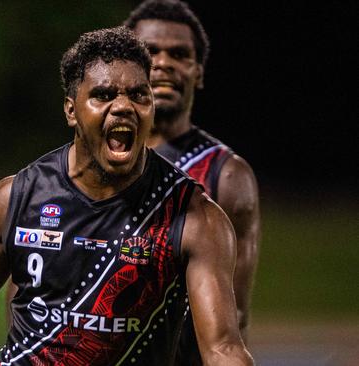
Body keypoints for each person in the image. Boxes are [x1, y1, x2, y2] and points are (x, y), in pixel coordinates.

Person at [0, 27, 253, 365]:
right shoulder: (16, 198)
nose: (123, 106)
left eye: (139, 95)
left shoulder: (194, 216)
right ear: (72, 110)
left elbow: (222, 349)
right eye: (103, 95)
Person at [124, 0, 261, 364]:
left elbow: (234, 317)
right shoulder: (89, 162)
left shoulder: (226, 175)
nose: (164, 63)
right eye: (150, 51)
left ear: (198, 71)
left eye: (180, 54)